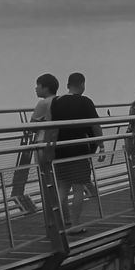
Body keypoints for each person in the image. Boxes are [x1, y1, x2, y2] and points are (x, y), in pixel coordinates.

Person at [50, 72, 104, 232]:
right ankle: (75, 224)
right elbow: (95, 125)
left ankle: (61, 222)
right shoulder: (85, 102)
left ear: (67, 85)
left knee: (62, 188)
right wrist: (101, 144)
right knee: (78, 187)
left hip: (59, 149)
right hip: (79, 149)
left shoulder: (56, 102)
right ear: (82, 84)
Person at [12, 73, 58, 214]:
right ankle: (59, 209)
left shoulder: (43, 103)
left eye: (38, 85)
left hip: (42, 143)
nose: (35, 88)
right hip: (56, 142)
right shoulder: (59, 100)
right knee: (56, 178)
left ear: (45, 88)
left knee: (45, 178)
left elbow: (32, 126)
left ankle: (50, 212)